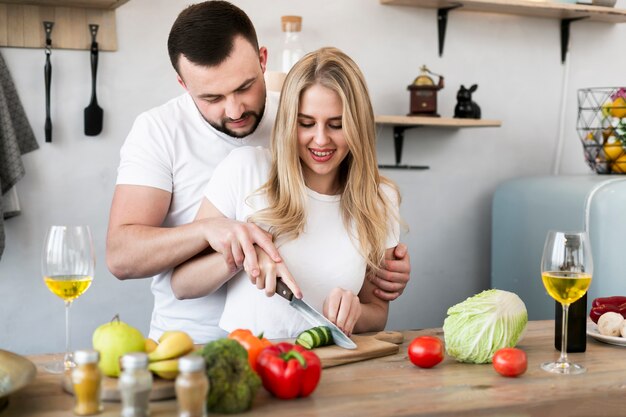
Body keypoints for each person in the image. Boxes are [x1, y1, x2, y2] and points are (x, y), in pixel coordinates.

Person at [106, 0, 410, 343]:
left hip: (303, 350)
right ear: (183, 84)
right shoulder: (160, 132)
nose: (234, 109)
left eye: (243, 87)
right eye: (212, 97)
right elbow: (122, 256)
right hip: (188, 339)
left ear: (263, 60)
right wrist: (218, 235)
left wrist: (383, 264)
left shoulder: (298, 108)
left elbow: (370, 292)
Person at [172, 47, 400, 338]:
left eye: (337, 124)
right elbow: (182, 284)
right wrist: (244, 255)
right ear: (289, 122)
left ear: (359, 126)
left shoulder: (380, 198)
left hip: (332, 367)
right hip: (250, 362)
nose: (320, 139)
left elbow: (377, 314)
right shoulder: (246, 169)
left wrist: (354, 312)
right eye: (306, 123)